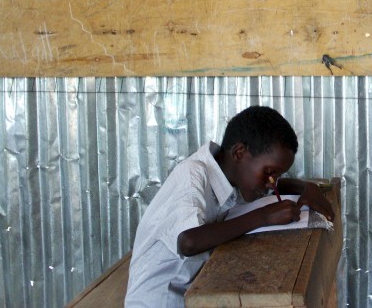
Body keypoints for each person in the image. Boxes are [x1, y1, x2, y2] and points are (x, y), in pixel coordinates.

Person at [125, 105, 334, 307]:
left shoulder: (232, 175)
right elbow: (188, 241)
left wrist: (306, 187)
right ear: (239, 153)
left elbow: (275, 185)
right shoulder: (192, 176)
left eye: (277, 175)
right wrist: (264, 217)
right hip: (159, 301)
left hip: (191, 292)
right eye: (270, 172)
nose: (272, 182)